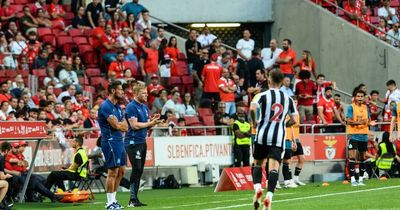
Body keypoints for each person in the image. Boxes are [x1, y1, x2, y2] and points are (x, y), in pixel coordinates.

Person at [250, 70, 297, 210]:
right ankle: (269, 197)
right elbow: (294, 119)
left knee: (258, 164)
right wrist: (282, 123)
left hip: (262, 135)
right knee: (274, 168)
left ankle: (258, 188)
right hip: (278, 137)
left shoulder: (262, 95)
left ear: (269, 81)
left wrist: (254, 122)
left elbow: (253, 108)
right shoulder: (288, 98)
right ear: (282, 82)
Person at [125, 84, 162, 207]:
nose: (147, 95)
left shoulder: (145, 108)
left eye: (146, 93)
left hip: (142, 141)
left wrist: (153, 122)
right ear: (136, 94)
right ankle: (132, 199)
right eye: (144, 93)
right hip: (133, 142)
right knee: (136, 169)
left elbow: (146, 126)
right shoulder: (131, 107)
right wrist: (150, 123)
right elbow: (134, 125)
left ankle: (134, 198)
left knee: (139, 170)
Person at [98, 80, 128, 210]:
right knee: (112, 172)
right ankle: (109, 203)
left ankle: (114, 200)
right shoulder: (106, 106)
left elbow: (125, 126)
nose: (122, 92)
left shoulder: (117, 108)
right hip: (110, 141)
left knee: (121, 171)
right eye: (120, 90)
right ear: (113, 91)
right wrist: (120, 125)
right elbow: (116, 125)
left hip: (119, 141)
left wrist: (120, 125)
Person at [347, 89, 371, 186]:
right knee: (352, 157)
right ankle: (353, 179)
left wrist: (370, 122)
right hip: (353, 135)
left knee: (363, 158)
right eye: (358, 96)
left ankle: (360, 179)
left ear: (364, 98)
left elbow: (368, 121)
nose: (360, 98)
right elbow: (348, 120)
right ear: (355, 97)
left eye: (362, 96)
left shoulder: (366, 108)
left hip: (364, 135)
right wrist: (359, 122)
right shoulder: (351, 107)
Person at [283, 107, 306, 188]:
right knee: (287, 160)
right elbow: (290, 126)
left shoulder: (296, 113)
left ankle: (295, 178)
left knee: (302, 159)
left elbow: (293, 126)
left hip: (295, 138)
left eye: (296, 102)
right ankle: (288, 180)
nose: (295, 104)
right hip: (287, 139)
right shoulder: (287, 113)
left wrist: (295, 140)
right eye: (294, 102)